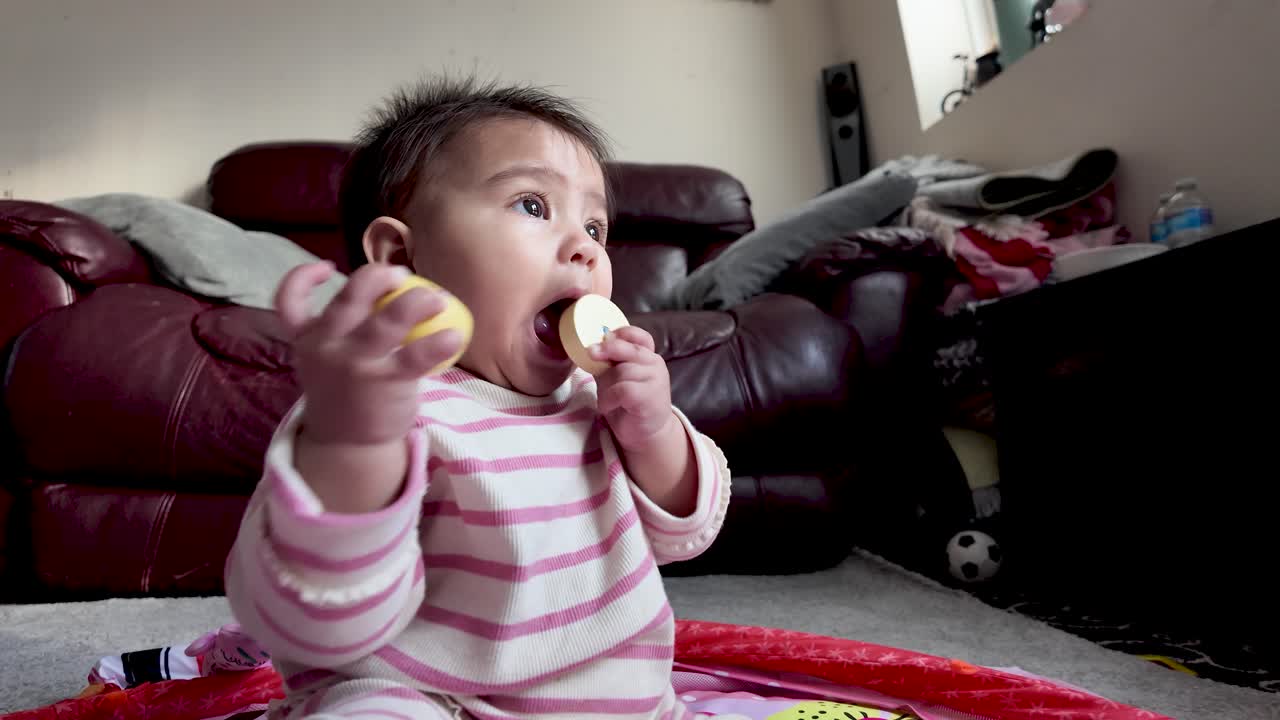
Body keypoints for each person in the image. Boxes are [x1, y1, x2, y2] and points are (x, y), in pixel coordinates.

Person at [223, 76, 732, 719]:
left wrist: (654, 431)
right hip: (431, 697)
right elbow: (317, 624)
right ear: (400, 260)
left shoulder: (595, 398)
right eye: (532, 205)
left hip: (621, 703)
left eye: (596, 226)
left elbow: (688, 529)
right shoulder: (378, 405)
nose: (583, 248)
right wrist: (355, 443)